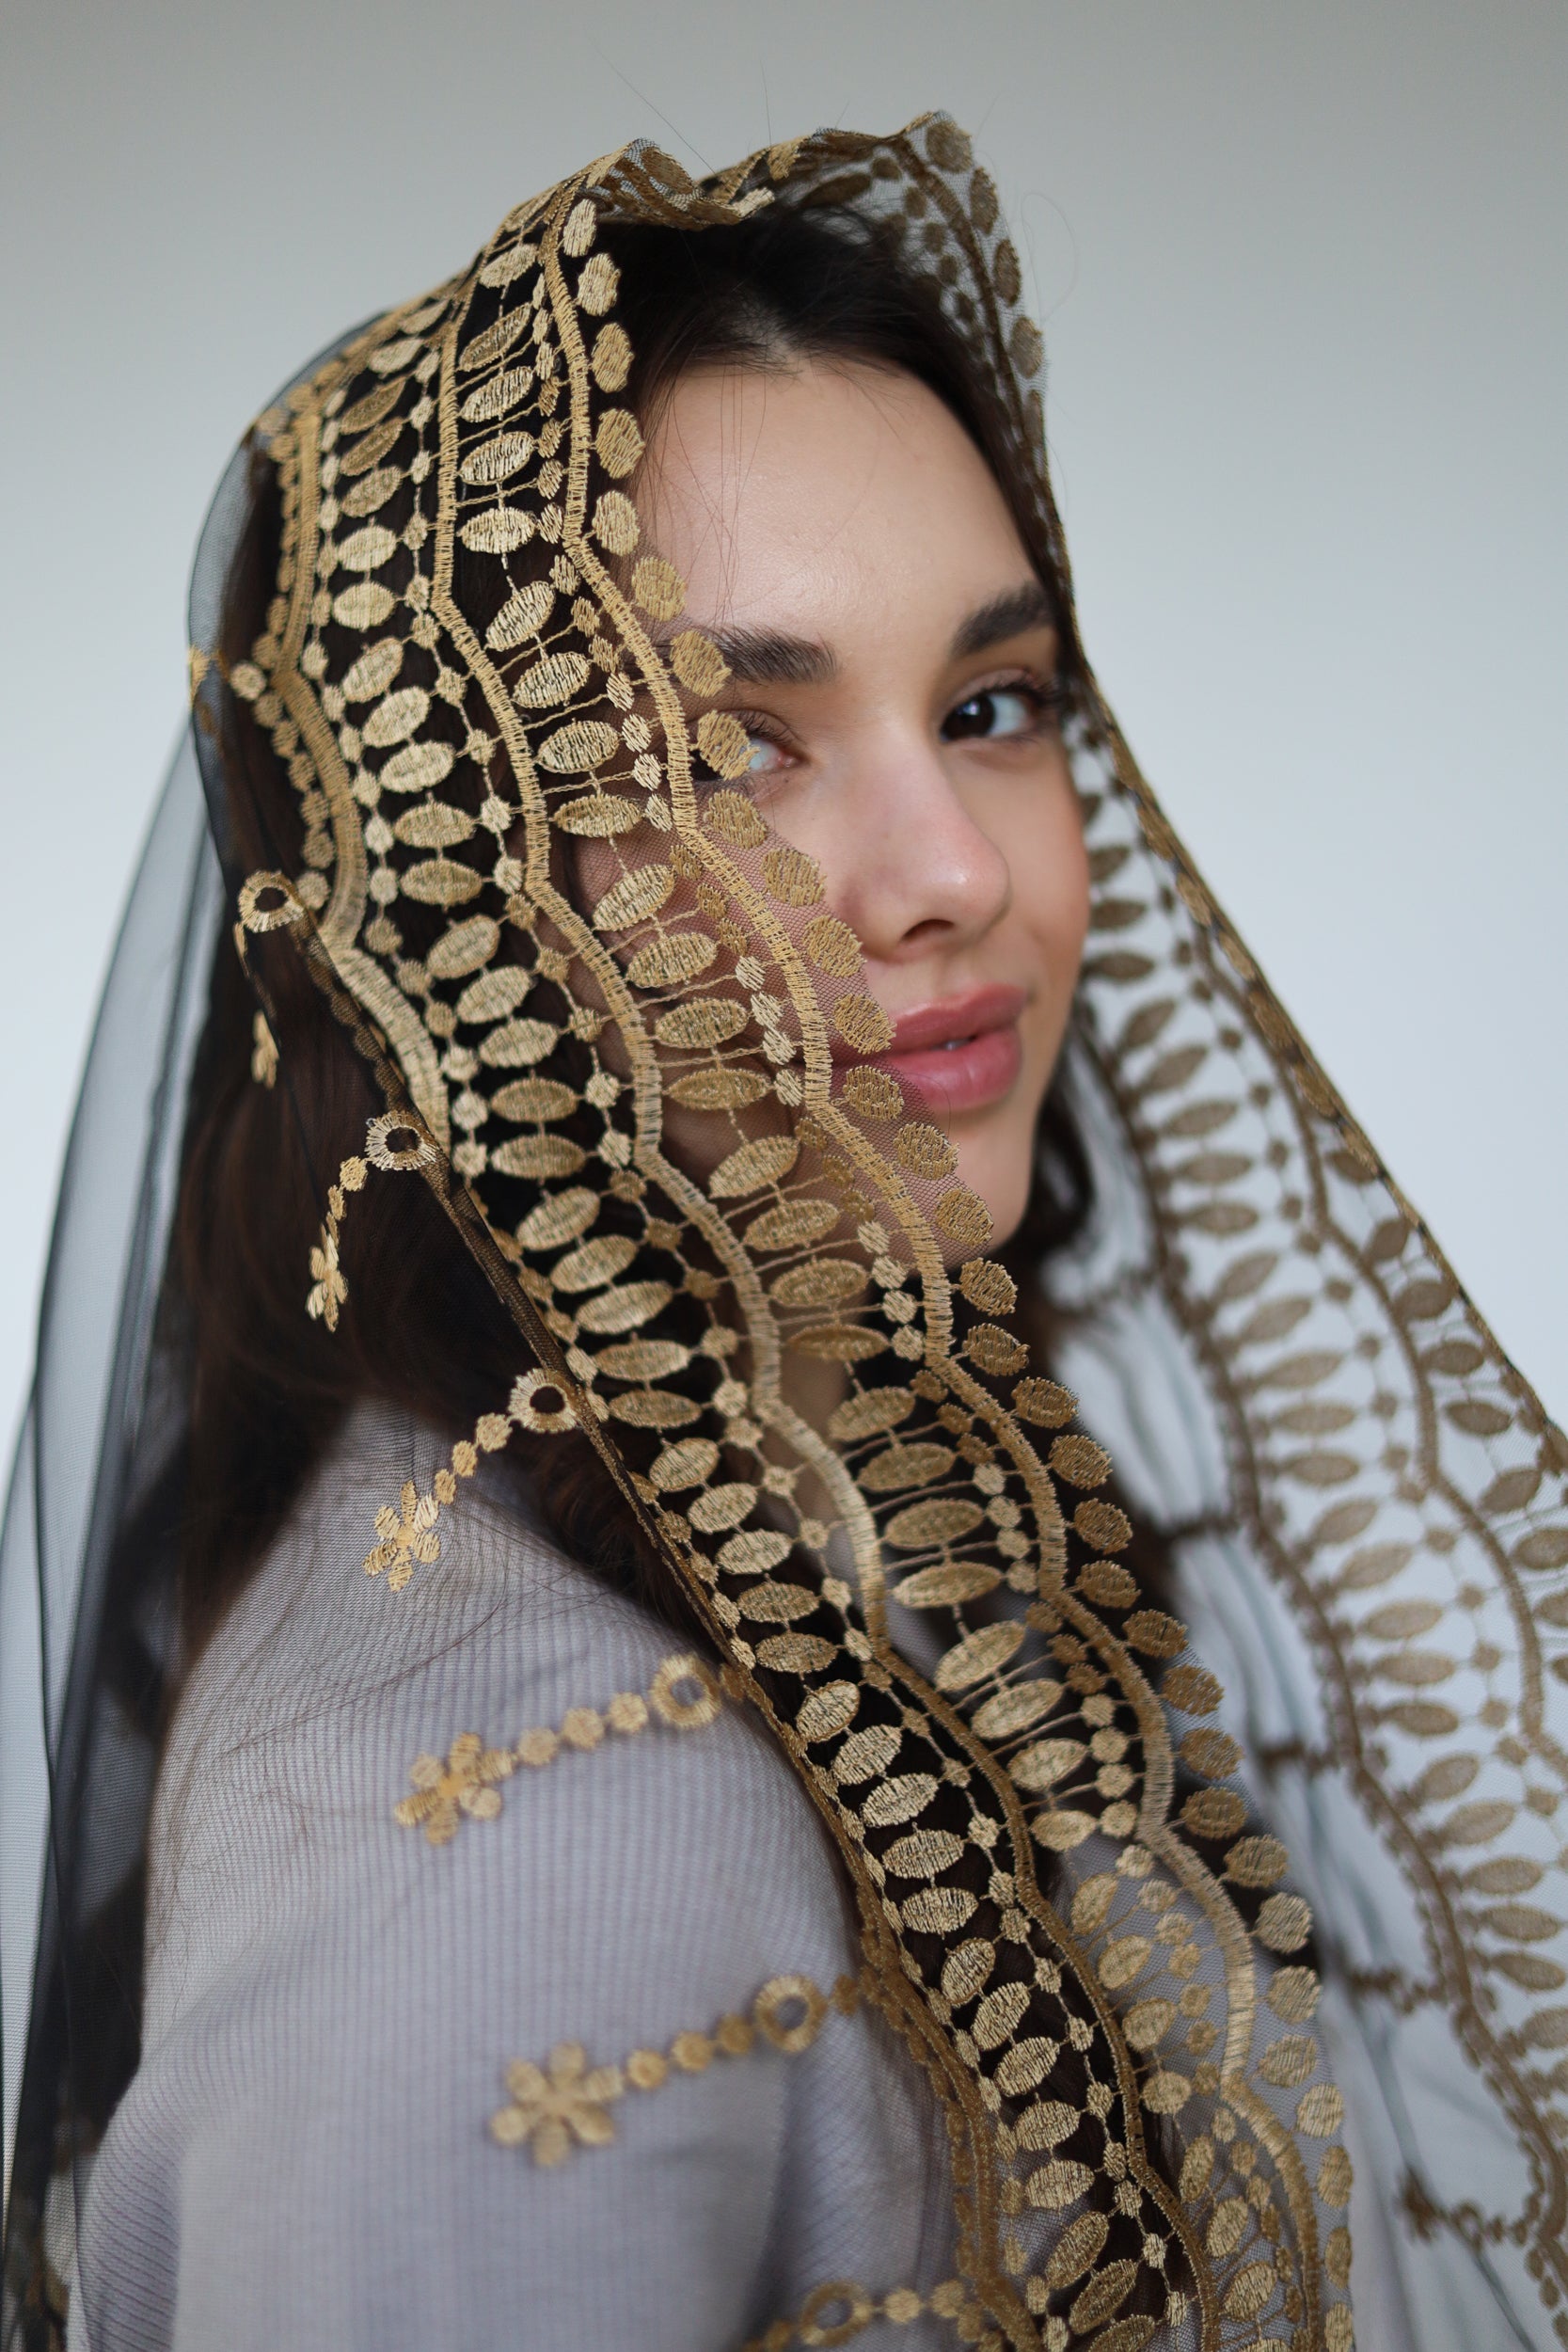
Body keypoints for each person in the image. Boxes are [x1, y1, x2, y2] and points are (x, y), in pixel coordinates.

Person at [3, 116, 1564, 2352]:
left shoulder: (867, 1535)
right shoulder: (545, 1831)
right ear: (446, 900)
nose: (955, 871)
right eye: (734, 748)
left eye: (993, 706)